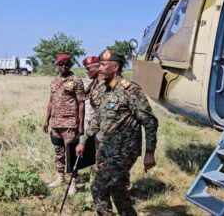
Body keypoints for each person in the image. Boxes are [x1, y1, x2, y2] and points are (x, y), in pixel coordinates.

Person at [76, 50, 159, 215]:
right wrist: (83, 141)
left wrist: (150, 152)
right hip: (106, 149)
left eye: (103, 65)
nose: (99, 68)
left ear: (115, 67)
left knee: (98, 187)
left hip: (124, 150)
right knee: (118, 189)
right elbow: (98, 120)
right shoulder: (104, 90)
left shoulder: (130, 90)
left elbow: (150, 121)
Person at [43, 53, 85, 196]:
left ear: (70, 65)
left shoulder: (76, 81)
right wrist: (46, 120)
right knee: (58, 152)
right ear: (57, 65)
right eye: (61, 64)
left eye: (66, 64)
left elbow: (81, 103)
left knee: (71, 154)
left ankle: (73, 182)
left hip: (70, 124)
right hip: (56, 123)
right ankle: (60, 177)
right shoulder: (54, 81)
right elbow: (50, 102)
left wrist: (80, 125)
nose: (63, 67)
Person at [82, 56, 105, 131]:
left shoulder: (106, 85)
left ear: (97, 68)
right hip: (91, 126)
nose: (86, 71)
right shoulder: (93, 84)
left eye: (88, 68)